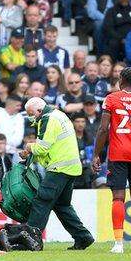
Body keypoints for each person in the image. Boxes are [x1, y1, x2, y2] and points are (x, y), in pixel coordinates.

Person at [91, 68, 131, 253]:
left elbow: (103, 129)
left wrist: (96, 154)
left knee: (118, 197)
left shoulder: (111, 98)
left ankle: (119, 244)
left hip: (118, 154)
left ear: (121, 80)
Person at [22, 97, 94, 250]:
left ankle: (30, 240)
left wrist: (28, 147)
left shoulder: (47, 119)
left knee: (41, 201)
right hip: (71, 168)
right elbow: (50, 146)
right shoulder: (59, 115)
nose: (30, 117)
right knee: (62, 205)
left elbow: (42, 148)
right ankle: (83, 237)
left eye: (31, 114)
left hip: (59, 169)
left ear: (39, 111)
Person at [0, 94, 24, 161]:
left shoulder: (20, 117)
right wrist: (7, 145)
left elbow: (18, 140)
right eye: (17, 105)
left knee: (22, 159)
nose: (20, 108)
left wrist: (3, 142)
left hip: (14, 153)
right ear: (10, 104)